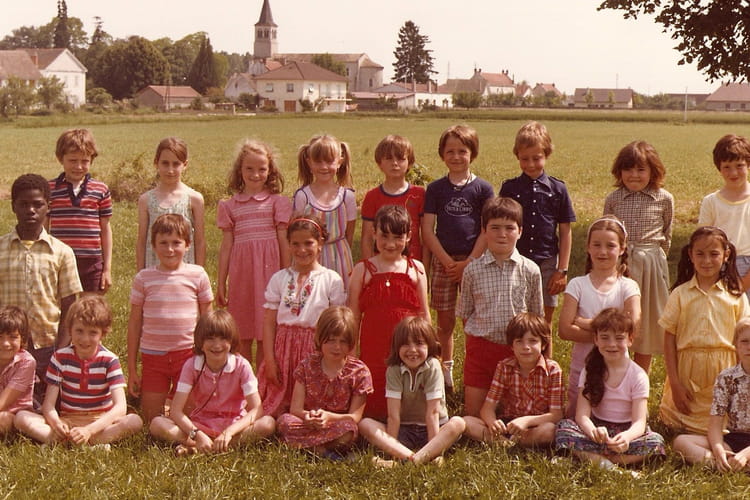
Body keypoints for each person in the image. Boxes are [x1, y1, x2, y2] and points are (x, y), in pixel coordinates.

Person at [15, 295, 143, 446]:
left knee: (134, 421)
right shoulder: (60, 358)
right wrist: (56, 423)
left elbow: (120, 407)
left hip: (99, 422)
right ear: (70, 330)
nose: (85, 339)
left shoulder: (109, 360)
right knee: (21, 418)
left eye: (92, 333)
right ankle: (85, 443)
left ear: (103, 333)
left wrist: (89, 430)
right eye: (79, 331)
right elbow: (48, 405)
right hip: (68, 421)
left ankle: (67, 443)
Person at [422, 125, 494, 390]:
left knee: (473, 320)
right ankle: (446, 371)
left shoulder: (483, 189)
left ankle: (474, 373)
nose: (456, 157)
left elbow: (487, 229)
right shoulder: (436, 189)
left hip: (474, 262)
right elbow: (427, 229)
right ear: (442, 154)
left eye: (462, 151)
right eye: (450, 151)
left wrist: (469, 263)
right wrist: (446, 261)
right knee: (444, 322)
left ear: (472, 153)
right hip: (445, 261)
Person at [0, 174, 82, 406]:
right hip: (6, 345)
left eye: (37, 204)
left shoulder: (62, 252)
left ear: (49, 206)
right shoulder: (1, 249)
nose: (31, 210)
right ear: (13, 206)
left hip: (47, 345)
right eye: (24, 204)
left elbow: (70, 306)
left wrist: (61, 350)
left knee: (48, 404)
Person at [457, 196, 543, 416]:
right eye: (495, 227)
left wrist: (541, 358)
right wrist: (477, 343)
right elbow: (466, 313)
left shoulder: (531, 270)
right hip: (481, 351)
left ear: (520, 231)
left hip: (517, 352)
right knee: (474, 415)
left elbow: (538, 319)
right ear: (484, 231)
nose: (502, 234)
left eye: (509, 228)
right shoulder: (472, 271)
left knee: (514, 414)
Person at [659, 226, 749, 434]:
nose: (706, 261)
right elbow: (669, 339)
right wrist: (675, 384)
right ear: (691, 255)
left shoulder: (735, 296)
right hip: (688, 372)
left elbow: (744, 338)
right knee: (679, 427)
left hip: (724, 369)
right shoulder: (680, 294)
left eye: (714, 254)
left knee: (726, 425)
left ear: (726, 255)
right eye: (700, 254)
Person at [149, 310, 275, 455]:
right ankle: (210, 445)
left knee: (268, 423)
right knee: (157, 424)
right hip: (200, 425)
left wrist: (229, 432)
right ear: (200, 343)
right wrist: (197, 434)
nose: (217, 345)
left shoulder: (242, 365)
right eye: (210, 339)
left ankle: (200, 447)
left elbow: (257, 409)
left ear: (231, 341)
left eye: (223, 339)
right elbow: (176, 411)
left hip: (234, 426)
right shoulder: (191, 366)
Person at [555, 308, 666, 472]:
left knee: (656, 442)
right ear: (596, 339)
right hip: (598, 429)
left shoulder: (638, 375)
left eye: (619, 338)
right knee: (564, 428)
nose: (612, 344)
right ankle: (611, 466)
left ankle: (594, 459)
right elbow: (582, 415)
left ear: (630, 339)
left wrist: (627, 437)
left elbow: (639, 422)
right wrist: (593, 431)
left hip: (625, 430)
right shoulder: (589, 370)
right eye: (605, 338)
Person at [127, 213, 214, 423]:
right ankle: (167, 403)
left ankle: (175, 405)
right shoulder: (144, 278)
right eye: (163, 243)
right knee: (151, 418)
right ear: (153, 246)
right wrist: (131, 368)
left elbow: (208, 320)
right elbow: (135, 323)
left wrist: (207, 358)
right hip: (153, 356)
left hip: (188, 354)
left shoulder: (198, 275)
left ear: (188, 245)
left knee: (191, 415)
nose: (170, 249)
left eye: (176, 243)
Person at [259, 215, 347, 417]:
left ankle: (306, 418)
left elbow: (337, 324)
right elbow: (269, 322)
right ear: (288, 244)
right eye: (295, 244)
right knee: (275, 403)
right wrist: (270, 359)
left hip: (314, 348)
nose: (302, 250)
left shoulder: (330, 279)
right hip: (284, 349)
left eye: (308, 243)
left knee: (311, 402)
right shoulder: (279, 278)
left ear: (320, 243)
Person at [349, 205, 430, 419]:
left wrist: (430, 350)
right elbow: (353, 315)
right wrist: (351, 352)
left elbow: (424, 313)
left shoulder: (415, 269)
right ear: (373, 233)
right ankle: (374, 420)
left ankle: (405, 422)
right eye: (384, 236)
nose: (390, 244)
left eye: (397, 237)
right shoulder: (363, 270)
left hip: (407, 344)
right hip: (374, 344)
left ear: (409, 236)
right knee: (375, 385)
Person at [217, 139, 292, 366]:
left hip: (270, 275)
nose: (255, 174)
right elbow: (226, 246)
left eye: (262, 169)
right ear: (240, 170)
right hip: (242, 276)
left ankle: (262, 383)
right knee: (241, 332)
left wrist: (288, 276)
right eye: (249, 168)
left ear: (270, 171)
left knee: (265, 332)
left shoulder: (277, 203)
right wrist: (221, 282)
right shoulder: (229, 206)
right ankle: (243, 379)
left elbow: (283, 242)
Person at [558, 216, 641, 417]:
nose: (602, 252)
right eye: (596, 245)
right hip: (582, 366)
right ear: (588, 247)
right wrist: (612, 337)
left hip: (617, 370)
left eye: (610, 246)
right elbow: (565, 330)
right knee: (575, 419)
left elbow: (633, 328)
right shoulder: (577, 285)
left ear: (622, 248)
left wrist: (588, 324)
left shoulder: (628, 287)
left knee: (613, 419)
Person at [604, 141, 674, 373]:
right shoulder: (614, 199)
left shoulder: (664, 198)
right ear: (619, 171)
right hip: (621, 265)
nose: (634, 175)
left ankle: (640, 375)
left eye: (641, 169)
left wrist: (655, 259)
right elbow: (606, 231)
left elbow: (667, 234)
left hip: (651, 265)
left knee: (647, 321)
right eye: (628, 169)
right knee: (619, 317)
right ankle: (617, 371)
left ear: (653, 171)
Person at [359, 316, 465, 466]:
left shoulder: (433, 366)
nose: (412, 350)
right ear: (397, 347)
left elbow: (433, 413)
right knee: (365, 424)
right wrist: (393, 448)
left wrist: (433, 447)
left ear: (429, 345)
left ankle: (421, 457)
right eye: (405, 344)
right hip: (404, 429)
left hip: (435, 429)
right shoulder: (394, 369)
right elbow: (393, 416)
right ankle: (409, 457)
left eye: (419, 343)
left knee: (458, 423)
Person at [499, 121, 575, 327]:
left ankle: (544, 350)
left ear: (547, 154)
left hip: (547, 261)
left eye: (537, 158)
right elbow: (500, 226)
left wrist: (562, 270)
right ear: (517, 156)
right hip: (517, 259)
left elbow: (565, 231)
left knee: (544, 320)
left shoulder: (558, 189)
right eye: (525, 159)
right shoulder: (510, 189)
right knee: (516, 317)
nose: (531, 164)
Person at [277, 306, 373, 459]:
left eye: (343, 342)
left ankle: (305, 447)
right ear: (320, 339)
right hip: (308, 422)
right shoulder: (307, 366)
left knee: (349, 430)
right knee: (285, 422)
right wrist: (309, 417)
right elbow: (296, 409)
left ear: (351, 343)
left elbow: (355, 416)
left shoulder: (359, 372)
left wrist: (329, 417)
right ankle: (323, 451)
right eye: (331, 340)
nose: (337, 347)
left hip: (336, 424)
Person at [464, 312, 563, 447]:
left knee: (550, 430)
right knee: (467, 421)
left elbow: (556, 415)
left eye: (533, 341)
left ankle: (509, 443)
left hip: (535, 424)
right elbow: (487, 409)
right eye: (519, 341)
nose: (526, 347)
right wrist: (493, 422)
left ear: (544, 345)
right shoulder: (504, 367)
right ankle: (506, 441)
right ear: (511, 346)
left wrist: (526, 421)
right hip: (507, 424)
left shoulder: (553, 370)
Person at [672, 318, 750, 470]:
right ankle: (721, 464)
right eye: (744, 341)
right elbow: (715, 423)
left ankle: (737, 464)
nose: (749, 347)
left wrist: (746, 454)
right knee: (681, 442)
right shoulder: (726, 378)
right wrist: (718, 450)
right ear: (736, 345)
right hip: (734, 439)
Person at [48, 128, 113, 293]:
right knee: (62, 306)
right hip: (59, 261)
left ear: (92, 160)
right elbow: (44, 228)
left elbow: (105, 229)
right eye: (72, 160)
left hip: (92, 263)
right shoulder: (49, 189)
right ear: (60, 158)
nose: (78, 166)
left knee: (91, 306)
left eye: (84, 161)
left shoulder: (100, 190)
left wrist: (107, 269)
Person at [293, 134, 356, 288]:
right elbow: (296, 231)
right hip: (310, 257)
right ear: (309, 162)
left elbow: (349, 233)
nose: (323, 167)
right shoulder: (303, 196)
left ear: (339, 162)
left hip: (340, 257)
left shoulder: (347, 196)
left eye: (329, 161)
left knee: (340, 296)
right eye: (318, 161)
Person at [136, 137, 205, 270]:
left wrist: (199, 274)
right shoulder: (146, 200)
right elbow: (141, 242)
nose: (170, 170)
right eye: (165, 163)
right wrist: (140, 274)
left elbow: (200, 241)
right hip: (154, 271)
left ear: (185, 165)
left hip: (185, 272)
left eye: (176, 164)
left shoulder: (194, 199)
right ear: (156, 163)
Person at [698, 134, 750, 299]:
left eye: (739, 165)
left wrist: (743, 284)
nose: (733, 172)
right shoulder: (711, 202)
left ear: (748, 164)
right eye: (727, 167)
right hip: (719, 267)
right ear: (719, 168)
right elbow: (702, 243)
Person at [360, 135, 427, 263]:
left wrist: (425, 267)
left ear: (410, 163)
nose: (395, 163)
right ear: (380, 163)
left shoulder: (419, 194)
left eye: (401, 159)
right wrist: (369, 267)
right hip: (380, 264)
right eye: (389, 158)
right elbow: (367, 238)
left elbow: (425, 237)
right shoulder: (372, 196)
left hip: (412, 263)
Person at [0, 306, 35, 435]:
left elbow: (3, 402)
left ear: (23, 339)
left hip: (15, 415)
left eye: (13, 337)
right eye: (0, 336)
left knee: (2, 420)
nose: (5, 343)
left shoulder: (26, 362)